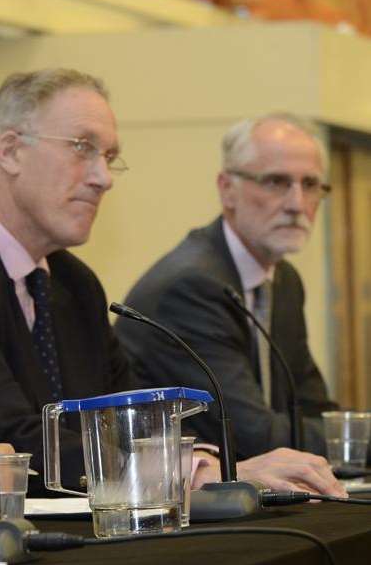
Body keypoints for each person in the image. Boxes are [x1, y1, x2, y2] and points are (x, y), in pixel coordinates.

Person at [0, 69, 344, 498]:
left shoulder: (75, 284)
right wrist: (200, 472)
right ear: (10, 151)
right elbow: (12, 440)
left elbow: (139, 417)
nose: (105, 176)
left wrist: (204, 464)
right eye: (83, 148)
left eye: (109, 155)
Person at [115, 114, 338, 460]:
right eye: (276, 182)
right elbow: (250, 435)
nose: (297, 204)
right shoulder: (192, 286)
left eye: (310, 184)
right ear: (227, 189)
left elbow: (314, 408)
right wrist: (345, 439)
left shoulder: (284, 279)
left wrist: (346, 434)